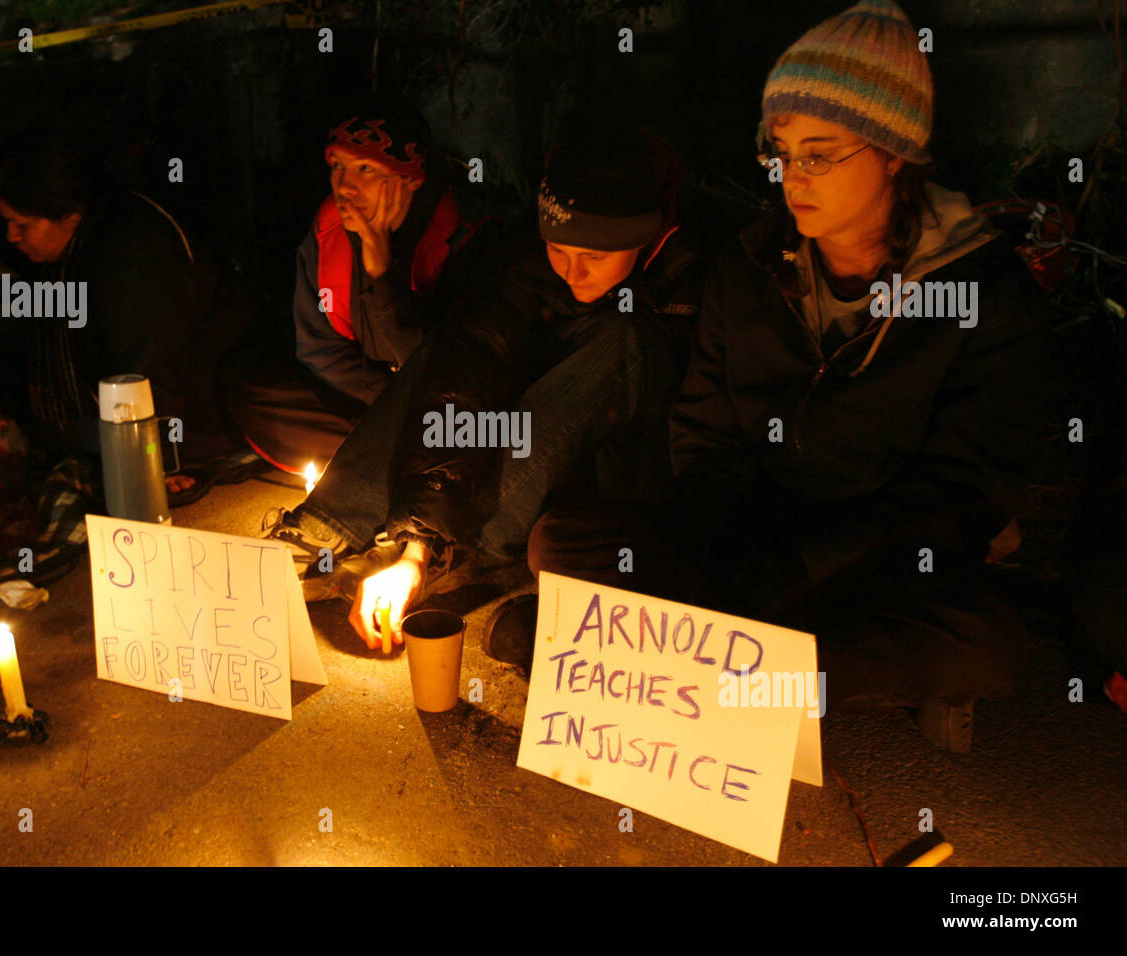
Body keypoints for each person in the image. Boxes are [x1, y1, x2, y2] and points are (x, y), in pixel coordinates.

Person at [521, 0, 1048, 752]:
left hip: (881, 564)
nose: (793, 177)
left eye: (820, 154)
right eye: (783, 152)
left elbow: (964, 490)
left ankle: (674, 659)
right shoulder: (749, 266)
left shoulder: (985, 295)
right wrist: (727, 547)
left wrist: (809, 563)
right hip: (750, 541)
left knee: (986, 642)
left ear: (895, 151)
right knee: (560, 541)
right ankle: (756, 670)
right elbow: (704, 432)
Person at [264, 124, 702, 653]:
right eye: (559, 249)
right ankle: (336, 522)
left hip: (612, 475)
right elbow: (465, 371)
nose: (573, 272)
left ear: (642, 237)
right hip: (513, 433)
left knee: (625, 341)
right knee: (451, 355)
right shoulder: (522, 260)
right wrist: (416, 544)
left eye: (594, 257)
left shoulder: (691, 280)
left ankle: (457, 547)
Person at [0, 135, 253, 490]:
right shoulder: (69, 251)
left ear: (70, 215)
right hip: (106, 427)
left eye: (23, 225)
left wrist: (156, 465)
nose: (11, 236)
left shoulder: (130, 255)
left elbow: (149, 365)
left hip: (200, 424)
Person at [228, 97, 466, 474]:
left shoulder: (460, 239)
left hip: (438, 408)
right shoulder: (328, 235)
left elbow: (438, 371)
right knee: (255, 394)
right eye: (337, 166)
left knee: (464, 428)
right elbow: (320, 352)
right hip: (373, 403)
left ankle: (380, 461)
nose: (344, 185)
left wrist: (381, 272)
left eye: (365, 168)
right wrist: (386, 405)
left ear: (407, 179)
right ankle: (393, 461)